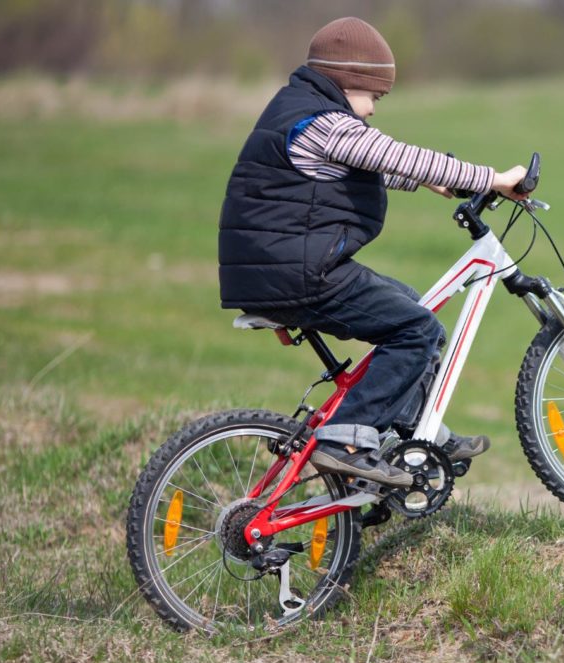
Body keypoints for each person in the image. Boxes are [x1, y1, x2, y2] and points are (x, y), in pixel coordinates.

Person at [218, 17, 529, 487]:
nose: (373, 110)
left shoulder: (300, 110)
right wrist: (490, 178)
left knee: (411, 307)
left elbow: (362, 167)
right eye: (374, 97)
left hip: (281, 269)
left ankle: (418, 431)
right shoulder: (326, 121)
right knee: (416, 328)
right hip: (297, 274)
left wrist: (429, 180)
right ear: (348, 81)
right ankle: (344, 441)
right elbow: (387, 154)